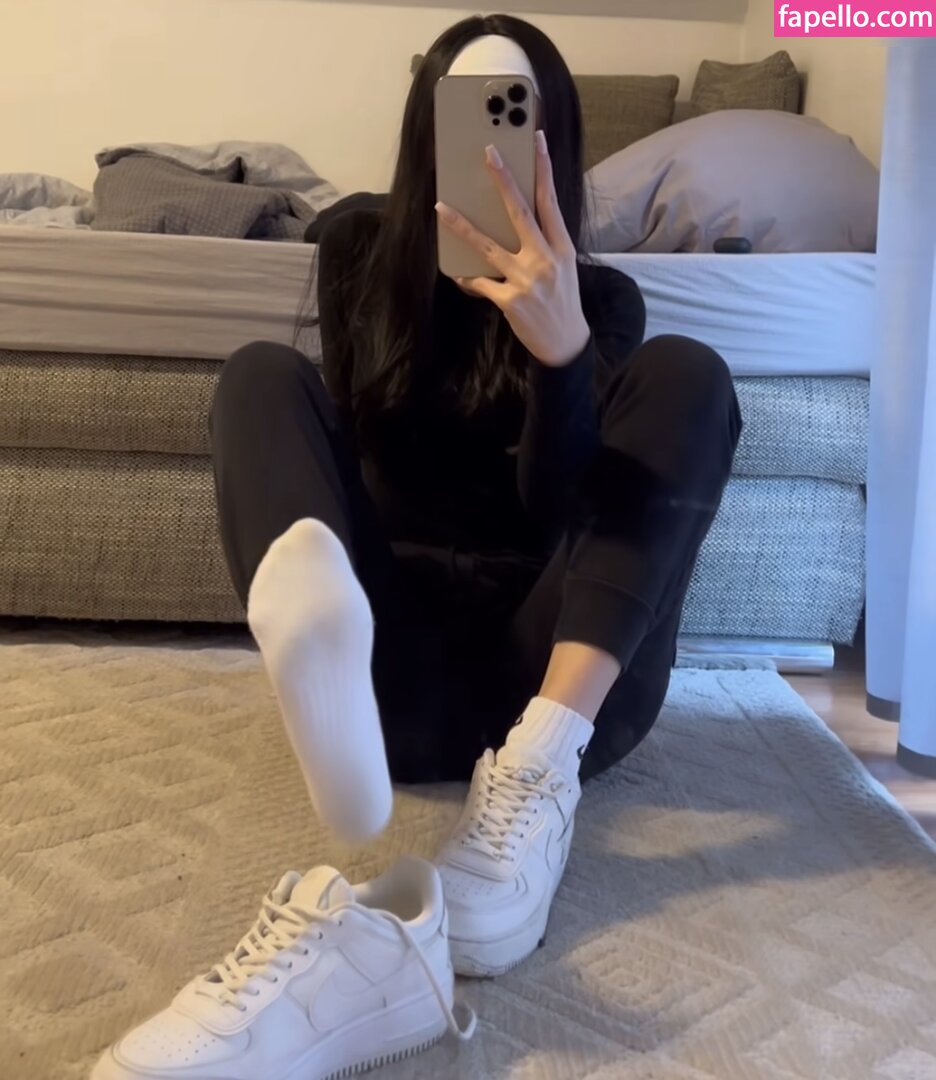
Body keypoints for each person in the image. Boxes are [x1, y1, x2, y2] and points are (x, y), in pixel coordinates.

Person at [92, 14, 741, 1080]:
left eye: (516, 122)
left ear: (553, 141)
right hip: (390, 673)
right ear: (427, 133)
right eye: (469, 120)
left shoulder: (601, 297)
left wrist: (563, 355)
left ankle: (536, 772)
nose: (493, 154)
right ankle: (307, 615)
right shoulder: (358, 250)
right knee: (260, 372)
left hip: (553, 678)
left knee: (688, 373)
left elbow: (561, 511)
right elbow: (372, 463)